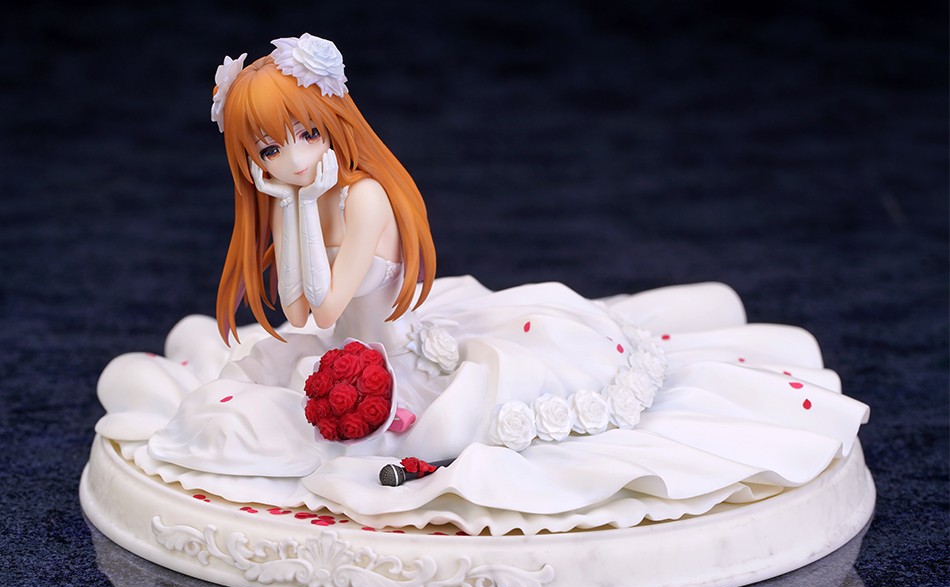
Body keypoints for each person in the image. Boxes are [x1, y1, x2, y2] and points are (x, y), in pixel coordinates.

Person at [94, 34, 869, 535]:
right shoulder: (302, 203)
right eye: (269, 150)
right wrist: (291, 214)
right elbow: (302, 311)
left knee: (446, 431)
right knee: (244, 394)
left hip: (398, 360)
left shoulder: (364, 200)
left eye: (304, 133)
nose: (293, 158)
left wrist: (299, 225)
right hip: (346, 354)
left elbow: (327, 302)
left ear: (333, 119)